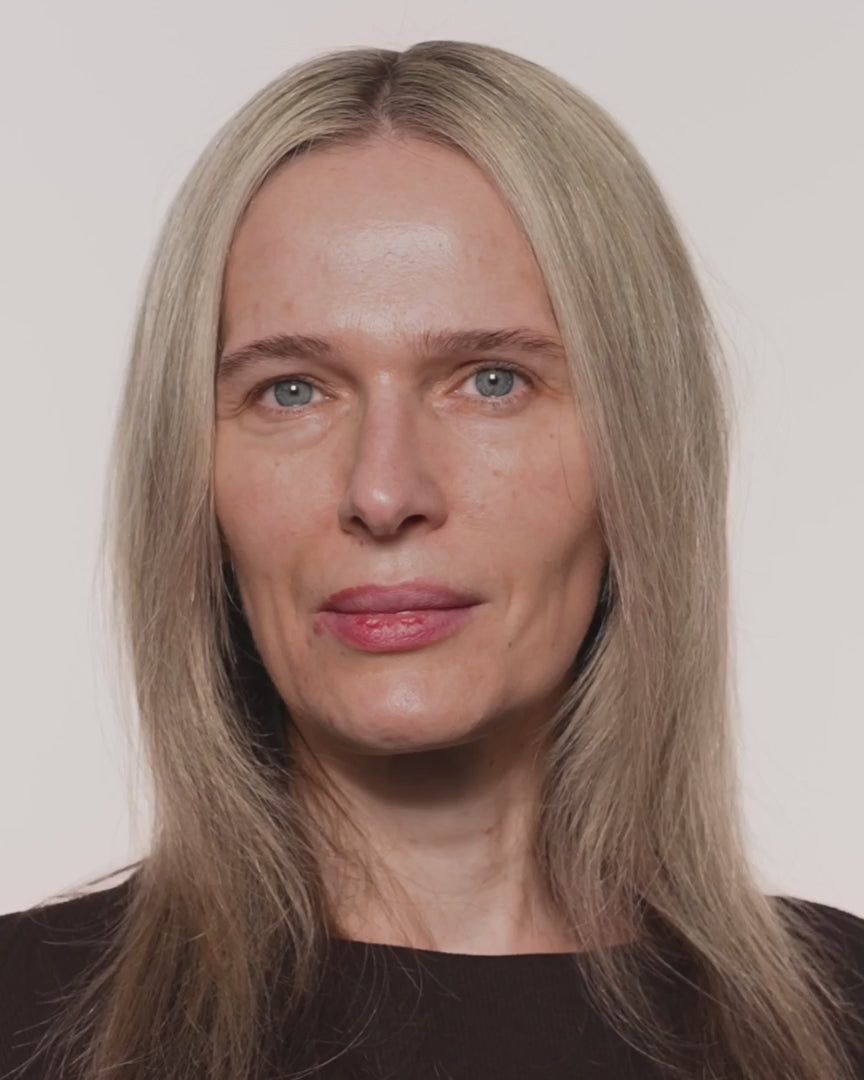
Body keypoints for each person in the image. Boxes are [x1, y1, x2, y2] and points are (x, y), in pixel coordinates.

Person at [0, 38, 862, 1080]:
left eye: (493, 380)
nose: (382, 492)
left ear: (641, 450)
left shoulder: (842, 1021)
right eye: (291, 390)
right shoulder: (21, 1020)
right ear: (191, 474)